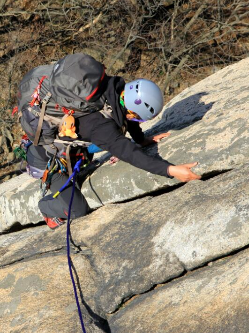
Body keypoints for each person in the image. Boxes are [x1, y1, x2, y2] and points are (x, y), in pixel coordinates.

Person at [27, 71, 201, 230]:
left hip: (74, 150)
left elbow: (128, 119)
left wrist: (141, 139)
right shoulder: (99, 126)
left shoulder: (113, 90)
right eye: (138, 118)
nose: (138, 122)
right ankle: (46, 207)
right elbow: (129, 153)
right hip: (48, 159)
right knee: (78, 210)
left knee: (85, 165)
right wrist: (171, 170)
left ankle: (75, 174)